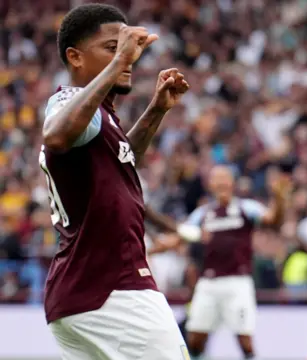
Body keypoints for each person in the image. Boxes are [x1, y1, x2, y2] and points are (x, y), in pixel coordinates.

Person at [39, 4, 190, 359]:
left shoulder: (96, 118)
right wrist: (117, 63)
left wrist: (156, 109)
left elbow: (121, 160)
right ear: (75, 57)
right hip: (112, 288)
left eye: (128, 49)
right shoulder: (69, 101)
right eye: (113, 46)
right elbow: (55, 136)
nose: (130, 57)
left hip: (83, 291)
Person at [155, 164, 288, 360]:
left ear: (232, 183)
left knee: (244, 340)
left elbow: (273, 220)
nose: (221, 182)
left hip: (237, 282)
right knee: (195, 339)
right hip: (209, 282)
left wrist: (279, 198)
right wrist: (153, 248)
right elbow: (181, 236)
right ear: (210, 184)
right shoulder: (204, 213)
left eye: (225, 178)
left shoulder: (246, 207)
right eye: (216, 178)